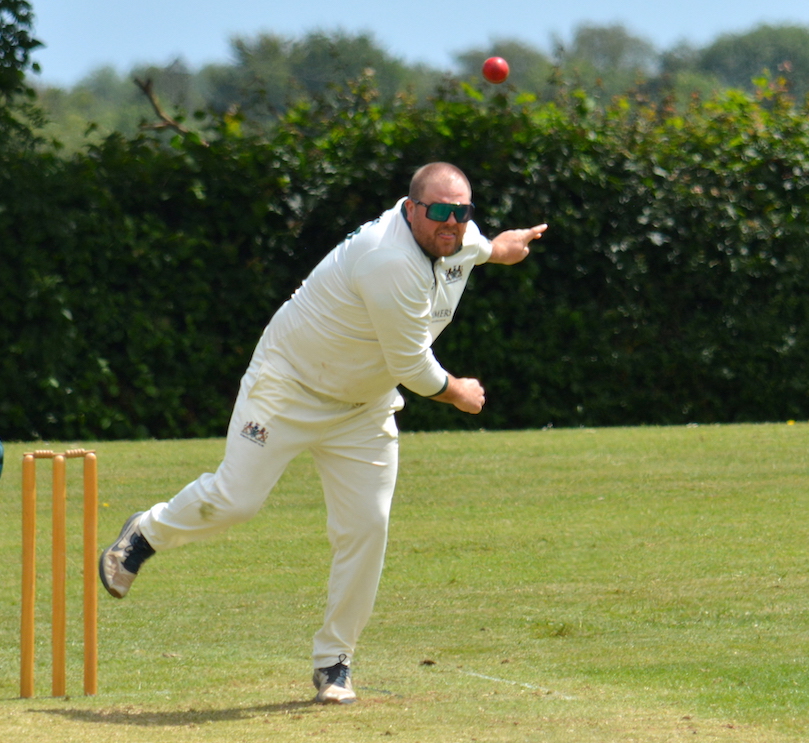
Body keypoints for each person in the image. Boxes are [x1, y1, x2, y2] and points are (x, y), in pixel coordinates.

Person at [99, 162, 546, 703]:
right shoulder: (390, 259)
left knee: (367, 526)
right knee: (235, 502)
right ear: (411, 210)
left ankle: (334, 661)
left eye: (462, 212)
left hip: (364, 407)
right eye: (439, 213)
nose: (451, 224)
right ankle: (145, 533)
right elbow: (412, 365)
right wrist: (457, 390)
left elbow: (482, 248)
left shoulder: (457, 237)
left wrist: (506, 247)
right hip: (288, 386)